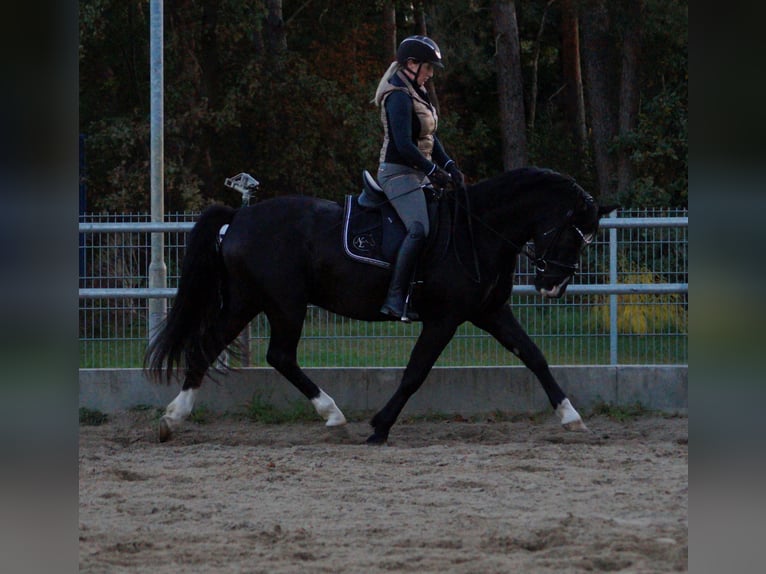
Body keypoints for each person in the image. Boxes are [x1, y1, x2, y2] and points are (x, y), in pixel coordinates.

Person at [372, 35, 466, 321]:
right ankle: (395, 297)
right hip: (397, 173)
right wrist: (433, 171)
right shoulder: (399, 95)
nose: (431, 73)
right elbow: (403, 145)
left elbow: (428, 137)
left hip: (417, 172)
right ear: (411, 64)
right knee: (419, 228)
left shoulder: (416, 90)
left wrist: (449, 165)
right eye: (428, 67)